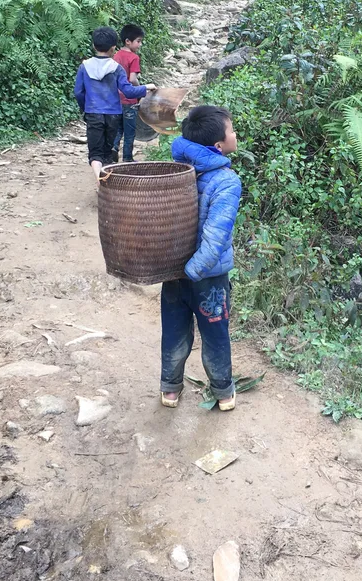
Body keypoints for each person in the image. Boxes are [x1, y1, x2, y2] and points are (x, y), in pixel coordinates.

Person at [159, 105, 241, 412]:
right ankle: (223, 393)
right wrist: (194, 271)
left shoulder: (176, 170)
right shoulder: (226, 181)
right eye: (231, 130)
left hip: (173, 271)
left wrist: (178, 269)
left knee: (174, 332)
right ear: (219, 144)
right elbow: (215, 236)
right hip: (208, 277)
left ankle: (169, 389)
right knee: (215, 334)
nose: (235, 134)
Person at [73, 26, 155, 181]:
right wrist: (146, 88)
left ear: (93, 46)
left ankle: (99, 179)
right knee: (107, 152)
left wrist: (85, 109)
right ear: (113, 48)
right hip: (113, 115)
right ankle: (105, 179)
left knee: (95, 153)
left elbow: (78, 92)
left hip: (93, 113)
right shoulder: (116, 68)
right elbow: (128, 91)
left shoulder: (84, 67)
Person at [112, 23, 145, 163]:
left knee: (118, 128)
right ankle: (127, 158)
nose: (140, 45)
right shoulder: (134, 58)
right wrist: (141, 90)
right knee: (130, 131)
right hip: (129, 99)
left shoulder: (116, 55)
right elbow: (132, 79)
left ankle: (113, 150)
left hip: (115, 99)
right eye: (138, 41)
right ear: (128, 41)